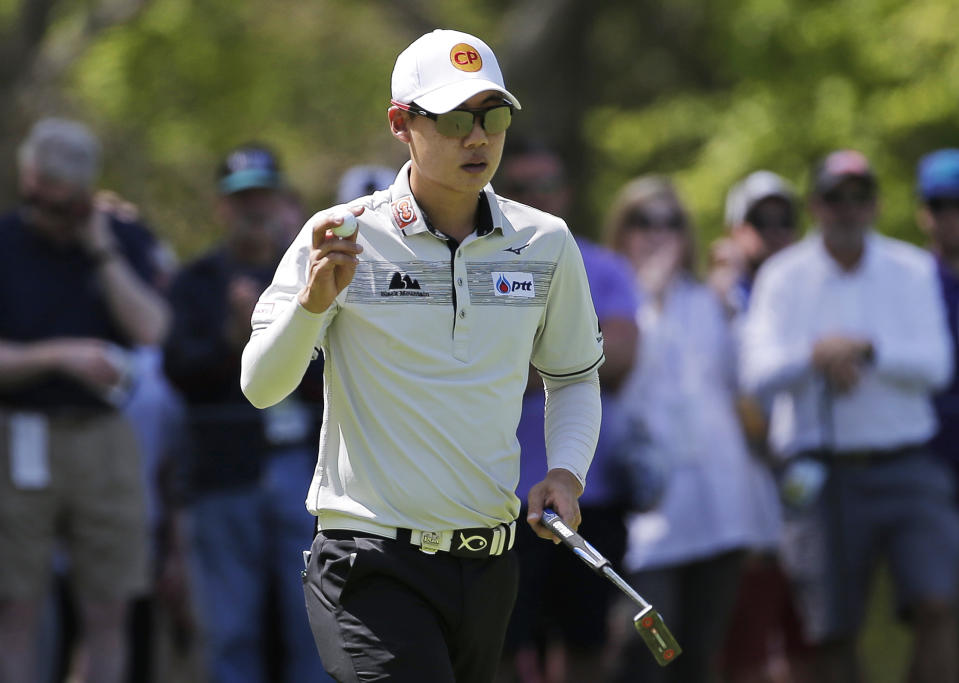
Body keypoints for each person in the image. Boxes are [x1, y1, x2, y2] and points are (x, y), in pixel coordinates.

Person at [240, 29, 604, 683]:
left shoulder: (545, 242)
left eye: (492, 117)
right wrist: (314, 303)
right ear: (400, 124)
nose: (478, 137)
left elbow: (573, 376)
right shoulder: (339, 234)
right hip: (369, 562)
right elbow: (261, 385)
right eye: (456, 118)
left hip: (490, 563)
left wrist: (567, 473)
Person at [740, 149, 959, 683]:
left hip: (908, 463)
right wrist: (817, 354)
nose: (847, 208)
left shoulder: (911, 268)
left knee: (938, 604)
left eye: (859, 197)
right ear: (816, 205)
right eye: (835, 197)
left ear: (876, 205)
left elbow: (937, 366)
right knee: (831, 631)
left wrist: (867, 350)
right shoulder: (783, 276)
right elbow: (757, 373)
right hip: (820, 470)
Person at [0, 117, 171, 683]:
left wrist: (101, 252)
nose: (54, 217)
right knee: (16, 608)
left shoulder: (120, 238)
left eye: (66, 206)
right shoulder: (6, 242)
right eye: (44, 202)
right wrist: (58, 356)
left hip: (105, 438)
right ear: (27, 180)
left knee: (108, 607)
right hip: (20, 435)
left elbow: (153, 331)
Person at [162, 144, 332, 683]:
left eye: (262, 197)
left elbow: (341, 370)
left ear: (283, 200)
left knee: (312, 625)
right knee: (231, 627)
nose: (254, 211)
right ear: (222, 207)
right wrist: (234, 341)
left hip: (305, 468)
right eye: (242, 201)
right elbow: (178, 370)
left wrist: (279, 339)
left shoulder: (318, 271)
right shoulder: (198, 282)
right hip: (225, 472)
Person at [604, 176, 780, 683]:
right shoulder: (611, 299)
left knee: (701, 654)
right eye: (644, 222)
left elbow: (742, 384)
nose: (658, 234)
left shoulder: (709, 301)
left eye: (671, 223)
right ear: (623, 231)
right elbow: (623, 389)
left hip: (721, 507)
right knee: (647, 652)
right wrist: (649, 304)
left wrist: (737, 303)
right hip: (648, 515)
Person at [493, 138, 638, 683]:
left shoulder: (603, 266)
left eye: (545, 187)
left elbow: (622, 358)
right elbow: (472, 374)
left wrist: (522, 362)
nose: (534, 199)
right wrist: (572, 358)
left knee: (586, 645)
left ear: (567, 194)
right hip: (498, 497)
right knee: (499, 648)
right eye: (520, 189)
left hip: (590, 492)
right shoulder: (479, 268)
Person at [710, 171, 811, 683]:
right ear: (734, 229)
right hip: (746, 485)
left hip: (810, 477)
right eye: (758, 219)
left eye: (784, 220)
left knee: (810, 633)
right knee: (749, 635)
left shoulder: (812, 289)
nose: (772, 231)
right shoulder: (719, 300)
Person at [915, 149, 959, 484]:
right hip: (928, 459)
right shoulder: (908, 282)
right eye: (941, 205)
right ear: (924, 213)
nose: (953, 216)